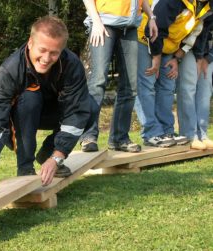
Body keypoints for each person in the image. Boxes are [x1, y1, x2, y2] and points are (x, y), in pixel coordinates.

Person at [0, 16, 97, 188]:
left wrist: (57, 156)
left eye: (54, 53)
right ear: (30, 43)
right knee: (30, 98)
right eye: (42, 50)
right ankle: (25, 167)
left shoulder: (72, 66)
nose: (46, 58)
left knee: (90, 106)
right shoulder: (10, 70)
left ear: (62, 50)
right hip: (22, 116)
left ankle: (48, 155)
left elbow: (76, 113)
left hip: (55, 113)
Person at [80, 0, 158, 153]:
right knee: (98, 81)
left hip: (129, 28)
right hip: (103, 23)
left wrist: (151, 17)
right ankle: (88, 137)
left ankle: (119, 138)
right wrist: (96, 21)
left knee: (130, 86)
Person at [135, 0, 212, 148]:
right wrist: (156, 59)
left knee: (167, 87)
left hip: (168, 47)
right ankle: (151, 133)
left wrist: (177, 58)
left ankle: (166, 131)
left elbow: (194, 33)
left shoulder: (204, 7)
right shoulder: (174, 1)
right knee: (147, 85)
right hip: (146, 39)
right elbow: (157, 25)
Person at [177, 14, 213, 150]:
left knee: (205, 90)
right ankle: (189, 135)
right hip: (186, 46)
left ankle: (202, 134)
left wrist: (207, 58)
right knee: (188, 87)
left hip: (206, 51)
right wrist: (199, 57)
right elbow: (199, 29)